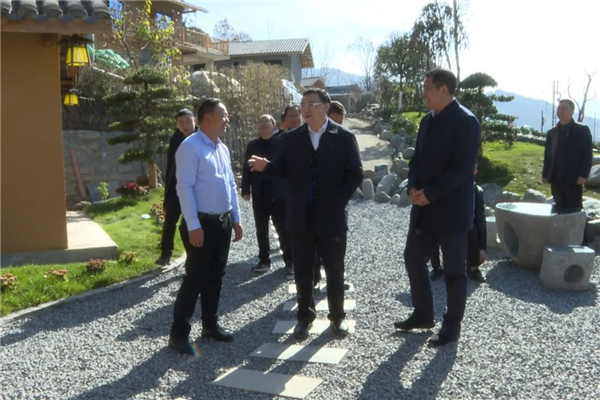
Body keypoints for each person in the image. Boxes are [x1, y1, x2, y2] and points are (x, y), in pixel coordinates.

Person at [249, 88, 363, 340]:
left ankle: (337, 317)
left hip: (331, 217)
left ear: (325, 106)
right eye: (303, 104)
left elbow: (355, 173)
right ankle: (304, 317)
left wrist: (338, 202)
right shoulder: (292, 138)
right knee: (303, 270)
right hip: (300, 216)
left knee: (334, 269)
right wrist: (266, 168)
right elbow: (282, 170)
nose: (306, 109)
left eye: (312, 104)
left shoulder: (343, 137)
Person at [395, 69, 481, 346]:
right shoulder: (427, 121)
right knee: (413, 258)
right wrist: (412, 186)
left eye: (427, 88)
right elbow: (417, 160)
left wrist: (431, 194)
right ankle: (423, 314)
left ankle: (452, 326)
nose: (424, 93)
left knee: (454, 271)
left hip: (452, 210)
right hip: (424, 208)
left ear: (444, 90)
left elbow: (462, 169)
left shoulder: (466, 121)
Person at [168, 98, 243, 356]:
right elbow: (184, 187)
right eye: (224, 115)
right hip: (201, 224)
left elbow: (230, 184)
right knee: (195, 279)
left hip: (222, 223)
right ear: (207, 118)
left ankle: (210, 325)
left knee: (216, 277)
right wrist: (193, 225)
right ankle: (179, 333)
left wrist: (235, 218)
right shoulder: (190, 147)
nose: (227, 119)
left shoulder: (221, 148)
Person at [242, 114, 293, 276]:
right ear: (257, 127)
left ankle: (290, 261)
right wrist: (245, 189)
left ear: (274, 125)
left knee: (284, 228)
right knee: (261, 229)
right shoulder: (252, 145)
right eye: (260, 121)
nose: (263, 124)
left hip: (279, 193)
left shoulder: (282, 143)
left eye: (267, 121)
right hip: (260, 192)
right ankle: (264, 260)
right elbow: (246, 168)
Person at [430, 164, 487, 283]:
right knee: (434, 227)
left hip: (465, 224)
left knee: (472, 229)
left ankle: (474, 266)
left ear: (475, 172)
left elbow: (481, 219)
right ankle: (436, 267)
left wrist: (483, 248)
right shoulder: (448, 186)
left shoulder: (477, 191)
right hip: (446, 221)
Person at [155, 109, 198, 266]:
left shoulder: (202, 137)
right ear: (177, 125)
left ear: (195, 120)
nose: (185, 125)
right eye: (181, 123)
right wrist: (168, 193)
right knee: (170, 220)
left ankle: (194, 254)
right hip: (177, 187)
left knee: (191, 223)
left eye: (188, 121)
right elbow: (171, 167)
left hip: (197, 188)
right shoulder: (176, 139)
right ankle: (166, 253)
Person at [542, 99, 593, 213]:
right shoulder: (552, 132)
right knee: (558, 210)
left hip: (574, 179)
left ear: (572, 111)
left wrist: (583, 175)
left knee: (574, 210)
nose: (561, 111)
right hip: (556, 178)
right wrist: (545, 174)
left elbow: (587, 155)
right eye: (559, 108)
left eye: (564, 108)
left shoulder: (582, 130)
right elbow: (548, 156)